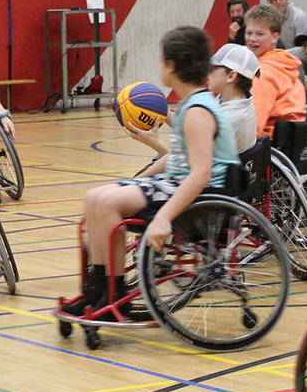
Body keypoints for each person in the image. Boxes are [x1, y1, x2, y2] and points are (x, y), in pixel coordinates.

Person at [68, 27, 238, 317]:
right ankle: (98, 289)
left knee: (108, 203)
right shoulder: (191, 105)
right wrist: (137, 180)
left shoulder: (198, 111)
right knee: (95, 197)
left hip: (200, 199)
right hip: (175, 184)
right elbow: (177, 158)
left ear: (171, 66)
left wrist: (163, 217)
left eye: (161, 60)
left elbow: (201, 173)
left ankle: (115, 293)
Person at [126, 43, 259, 158]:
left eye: (213, 68)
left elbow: (193, 168)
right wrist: (162, 111)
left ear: (231, 76)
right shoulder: (233, 99)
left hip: (207, 185)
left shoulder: (231, 119)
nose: (207, 73)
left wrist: (155, 143)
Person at [245, 3, 306, 135]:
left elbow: (254, 126)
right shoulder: (284, 62)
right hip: (290, 142)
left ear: (275, 37)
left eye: (260, 34)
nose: (252, 39)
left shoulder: (264, 73)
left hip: (270, 144)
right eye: (249, 33)